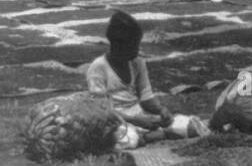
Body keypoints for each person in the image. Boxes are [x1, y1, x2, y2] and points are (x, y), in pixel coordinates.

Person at [86, 10, 205, 150]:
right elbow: (102, 112)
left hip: (141, 117)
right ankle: (155, 135)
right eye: (133, 45)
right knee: (126, 139)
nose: (136, 50)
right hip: (117, 121)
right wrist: (136, 121)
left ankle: (150, 136)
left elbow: (146, 97)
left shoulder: (138, 63)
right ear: (117, 45)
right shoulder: (98, 68)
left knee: (191, 126)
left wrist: (161, 110)